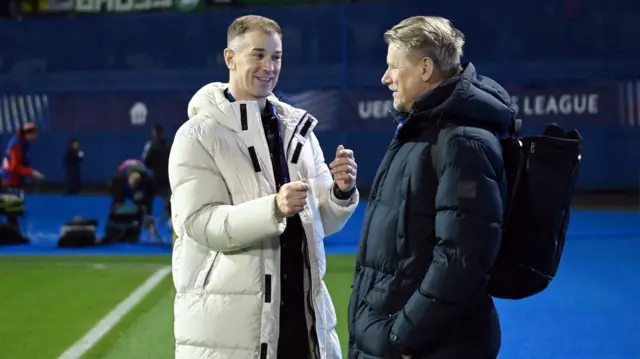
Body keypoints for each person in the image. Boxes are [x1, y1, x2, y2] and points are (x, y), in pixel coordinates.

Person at [169, 15, 359, 359]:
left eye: (276, 56)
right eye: (257, 55)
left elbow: (320, 224)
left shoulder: (298, 130)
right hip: (232, 328)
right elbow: (198, 223)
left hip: (301, 319)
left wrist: (339, 193)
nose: (268, 66)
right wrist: (273, 209)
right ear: (230, 58)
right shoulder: (197, 135)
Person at [347, 16, 513, 359]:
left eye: (394, 67)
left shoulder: (462, 142)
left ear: (425, 68)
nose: (385, 78)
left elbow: (461, 258)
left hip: (427, 345)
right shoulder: (422, 132)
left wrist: (401, 337)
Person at [0, 122, 44, 234]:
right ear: (27, 134)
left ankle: (12, 234)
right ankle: (12, 235)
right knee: (11, 212)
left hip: (14, 181)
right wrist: (32, 173)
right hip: (9, 182)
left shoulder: (23, 143)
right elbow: (14, 167)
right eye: (34, 134)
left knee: (12, 211)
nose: (36, 136)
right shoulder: (16, 145)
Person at [107, 159, 156, 239]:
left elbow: (149, 198)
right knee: (117, 205)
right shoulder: (118, 179)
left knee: (140, 205)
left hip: (142, 187)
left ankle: (135, 231)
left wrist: (148, 215)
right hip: (120, 185)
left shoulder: (147, 181)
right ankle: (113, 230)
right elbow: (115, 197)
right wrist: (118, 203)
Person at [142, 124, 171, 222]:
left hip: (154, 179)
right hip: (167, 178)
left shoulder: (150, 145)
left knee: (148, 197)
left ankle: (147, 219)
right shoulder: (169, 145)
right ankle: (170, 220)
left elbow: (145, 161)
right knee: (170, 199)